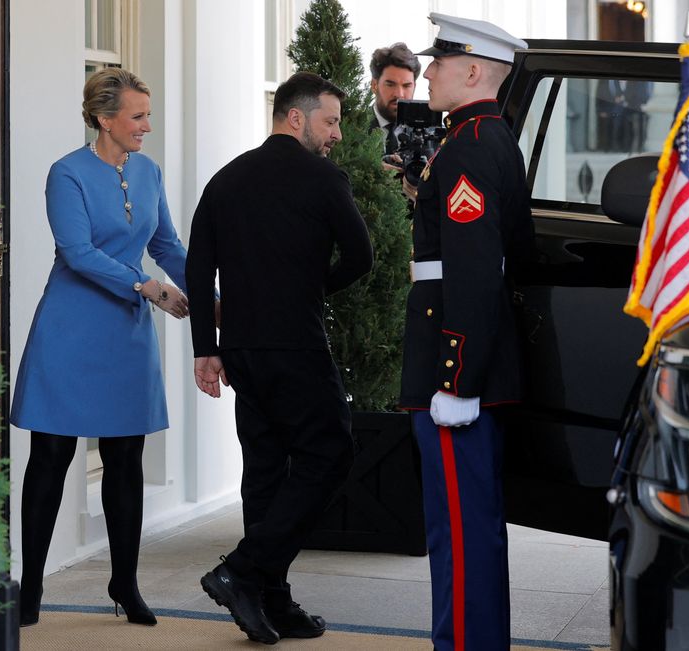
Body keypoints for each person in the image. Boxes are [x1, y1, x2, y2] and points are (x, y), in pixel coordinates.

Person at [186, 71, 373, 645]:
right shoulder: (323, 179)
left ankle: (270, 600)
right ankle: (243, 571)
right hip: (296, 344)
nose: (337, 133)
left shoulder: (226, 178)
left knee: (265, 471)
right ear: (297, 117)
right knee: (331, 454)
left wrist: (205, 348)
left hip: (241, 349)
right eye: (331, 121)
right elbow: (361, 257)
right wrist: (310, 291)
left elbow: (198, 267)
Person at [10, 68, 192, 628]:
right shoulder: (66, 173)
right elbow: (78, 252)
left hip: (126, 334)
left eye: (148, 114)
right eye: (137, 116)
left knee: (125, 460)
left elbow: (167, 244)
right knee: (51, 458)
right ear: (103, 118)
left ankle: (125, 583)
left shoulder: (148, 172)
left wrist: (213, 296)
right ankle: (31, 588)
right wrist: (148, 286)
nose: (147, 126)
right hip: (70, 330)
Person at [400, 13, 534, 651]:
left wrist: (456, 379)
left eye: (440, 62)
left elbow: (475, 274)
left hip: (455, 366)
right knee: (464, 525)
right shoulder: (479, 137)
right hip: (465, 356)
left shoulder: (471, 145)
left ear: (474, 70)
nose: (428, 72)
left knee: (460, 528)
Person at [369, 42, 421, 156]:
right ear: (374, 85)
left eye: (406, 86)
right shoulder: (350, 127)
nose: (399, 94)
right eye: (390, 84)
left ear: (414, 87)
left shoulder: (431, 134)